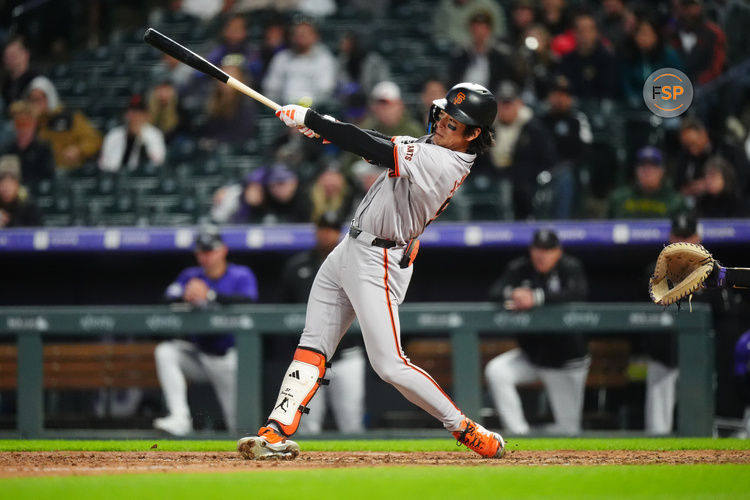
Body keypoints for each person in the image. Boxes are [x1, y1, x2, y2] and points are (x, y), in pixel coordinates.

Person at [237, 82, 505, 460]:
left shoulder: (446, 162)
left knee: (389, 364)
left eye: (455, 121)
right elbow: (379, 140)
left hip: (379, 259)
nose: (445, 122)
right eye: (445, 114)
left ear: (473, 134)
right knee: (313, 342)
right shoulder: (433, 145)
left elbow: (374, 147)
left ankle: (464, 428)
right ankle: (276, 432)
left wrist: (313, 119)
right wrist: (324, 129)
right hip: (350, 247)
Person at [153, 226, 258, 436]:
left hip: (227, 357)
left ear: (223, 250)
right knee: (165, 352)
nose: (206, 257)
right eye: (202, 251)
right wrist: (185, 295)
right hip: (197, 354)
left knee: (239, 427)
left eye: (210, 250)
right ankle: (180, 418)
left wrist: (209, 295)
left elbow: (248, 300)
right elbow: (165, 300)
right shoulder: (190, 276)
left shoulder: (240, 275)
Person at [485, 229, 590, 435]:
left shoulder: (570, 267)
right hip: (533, 356)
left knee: (569, 431)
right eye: (538, 249)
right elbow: (495, 293)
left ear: (558, 252)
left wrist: (537, 297)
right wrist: (513, 293)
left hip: (565, 361)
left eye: (548, 250)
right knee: (497, 371)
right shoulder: (521, 268)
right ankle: (519, 434)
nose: (542, 255)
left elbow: (579, 293)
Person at [278, 211, 367, 434]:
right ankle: (308, 469)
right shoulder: (297, 265)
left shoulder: (354, 263)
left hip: (347, 355)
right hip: (310, 355)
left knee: (351, 423)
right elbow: (282, 310)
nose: (326, 234)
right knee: (307, 425)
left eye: (331, 229)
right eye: (322, 229)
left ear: (339, 233)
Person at [486, 80, 558, 220]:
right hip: (493, 180)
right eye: (502, 103)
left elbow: (548, 159)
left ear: (519, 104)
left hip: (525, 184)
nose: (505, 108)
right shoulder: (487, 128)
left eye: (509, 103)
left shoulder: (533, 128)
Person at [27, 76, 102, 171]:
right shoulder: (28, 121)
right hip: (40, 172)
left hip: (69, 171)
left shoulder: (70, 117)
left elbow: (94, 139)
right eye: (32, 100)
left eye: (38, 99)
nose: (35, 104)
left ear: (49, 98)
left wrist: (79, 150)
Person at [262, 18, 337, 105]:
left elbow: (326, 89)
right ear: (291, 37)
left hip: (316, 110)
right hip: (284, 108)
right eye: (297, 34)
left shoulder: (324, 59)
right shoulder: (281, 58)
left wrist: (304, 105)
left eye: (304, 34)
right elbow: (271, 87)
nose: (300, 37)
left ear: (315, 36)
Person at [607, 146, 686, 219]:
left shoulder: (675, 201)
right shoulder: (619, 198)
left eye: (653, 166)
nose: (647, 171)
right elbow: (603, 228)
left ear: (662, 171)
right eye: (643, 166)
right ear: (636, 170)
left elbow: (683, 230)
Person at [449, 11, 516, 93]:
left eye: (482, 28)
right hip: (463, 98)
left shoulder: (500, 55)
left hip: (491, 98)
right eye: (475, 28)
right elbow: (454, 80)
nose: (479, 32)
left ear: (489, 30)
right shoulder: (460, 54)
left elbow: (504, 81)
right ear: (470, 30)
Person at [198, 54, 258, 146]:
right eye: (223, 73)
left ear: (240, 78)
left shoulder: (246, 102)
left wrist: (217, 141)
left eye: (232, 73)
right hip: (213, 151)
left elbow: (243, 133)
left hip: (237, 151)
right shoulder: (212, 101)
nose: (225, 79)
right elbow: (207, 130)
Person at [560, 9, 618, 101]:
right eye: (581, 31)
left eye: (589, 30)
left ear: (596, 33)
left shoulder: (607, 59)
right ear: (574, 33)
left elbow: (609, 91)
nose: (585, 35)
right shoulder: (567, 60)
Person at [99, 94, 166, 172]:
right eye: (132, 111)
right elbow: (103, 165)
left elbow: (157, 162)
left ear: (146, 115)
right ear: (126, 115)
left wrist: (140, 139)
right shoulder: (113, 135)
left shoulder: (154, 135)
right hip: (115, 178)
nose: (134, 116)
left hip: (142, 179)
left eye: (139, 112)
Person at [669, 0, 726, 85]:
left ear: (700, 7)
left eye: (691, 6)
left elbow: (717, 67)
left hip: (711, 86)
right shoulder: (674, 36)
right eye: (684, 8)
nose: (687, 12)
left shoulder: (712, 32)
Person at [3, 100, 55, 189]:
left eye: (27, 124)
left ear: (34, 124)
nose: (23, 130)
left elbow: (48, 178)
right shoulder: (6, 150)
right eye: (19, 124)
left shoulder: (44, 149)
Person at [432, 0, 508, 48]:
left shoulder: (490, 6)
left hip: (484, 52)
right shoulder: (445, 6)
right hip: (452, 52)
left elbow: (499, 35)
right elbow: (438, 33)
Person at [0, 154, 43, 228]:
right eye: (2, 184)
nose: (6, 188)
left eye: (10, 183)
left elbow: (38, 233)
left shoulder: (29, 206)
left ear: (18, 185)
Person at [2, 36, 38, 111]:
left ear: (26, 54)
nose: (9, 60)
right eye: (6, 57)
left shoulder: (36, 81)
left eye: (13, 56)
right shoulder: (6, 82)